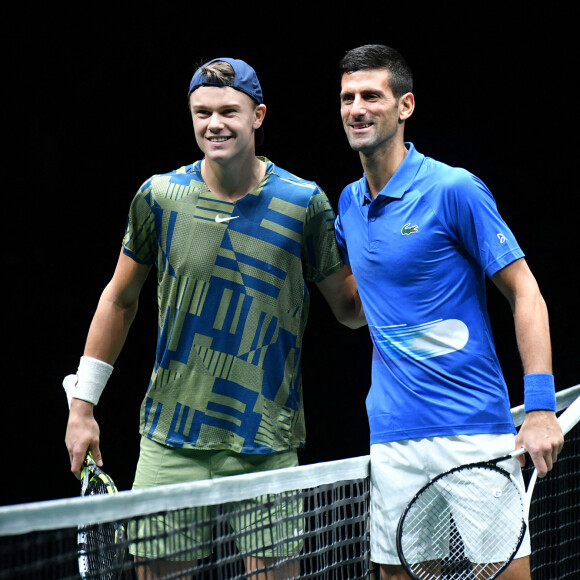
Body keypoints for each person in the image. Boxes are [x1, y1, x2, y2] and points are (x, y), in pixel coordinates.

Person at [63, 56, 363, 580]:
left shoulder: (303, 203)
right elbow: (119, 299)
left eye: (229, 110)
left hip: (267, 437)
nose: (214, 124)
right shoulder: (160, 196)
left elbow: (350, 309)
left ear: (258, 115)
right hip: (171, 438)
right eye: (202, 112)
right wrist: (82, 406)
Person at [334, 44, 564, 580]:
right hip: (392, 437)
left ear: (405, 106)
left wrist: (539, 406)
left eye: (372, 95)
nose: (357, 108)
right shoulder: (347, 204)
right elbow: (353, 309)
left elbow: (525, 292)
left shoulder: (452, 188)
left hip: (473, 432)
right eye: (347, 98)